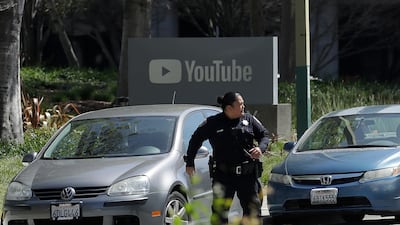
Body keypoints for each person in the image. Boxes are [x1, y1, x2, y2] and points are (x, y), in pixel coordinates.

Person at [185, 92, 270, 225]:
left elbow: (264, 135)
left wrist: (260, 148)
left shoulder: (249, 120)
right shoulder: (213, 123)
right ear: (229, 108)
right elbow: (195, 140)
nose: (243, 106)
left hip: (247, 174)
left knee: (253, 212)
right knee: (220, 215)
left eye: (243, 103)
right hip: (223, 175)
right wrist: (190, 162)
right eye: (240, 104)